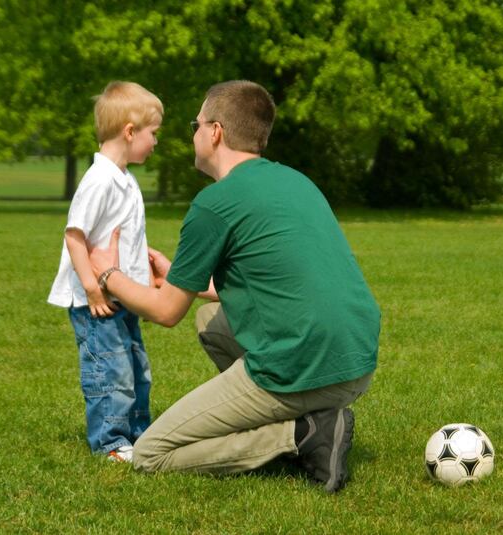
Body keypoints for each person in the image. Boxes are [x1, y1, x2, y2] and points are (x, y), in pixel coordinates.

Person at [89, 80, 380, 492]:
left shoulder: (214, 203)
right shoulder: (295, 181)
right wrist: (180, 274)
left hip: (303, 366)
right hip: (355, 362)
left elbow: (166, 312)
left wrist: (107, 274)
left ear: (215, 132)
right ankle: (308, 420)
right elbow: (271, 278)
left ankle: (299, 435)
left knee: (152, 453)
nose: (192, 134)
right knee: (211, 318)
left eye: (196, 123)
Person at [47, 81, 163, 462]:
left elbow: (119, 234)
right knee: (110, 371)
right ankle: (110, 442)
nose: (156, 142)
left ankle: (137, 432)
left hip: (121, 296)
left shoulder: (123, 179)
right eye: (154, 134)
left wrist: (143, 263)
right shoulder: (99, 181)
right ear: (130, 132)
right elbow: (75, 236)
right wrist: (92, 290)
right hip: (96, 302)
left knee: (135, 369)